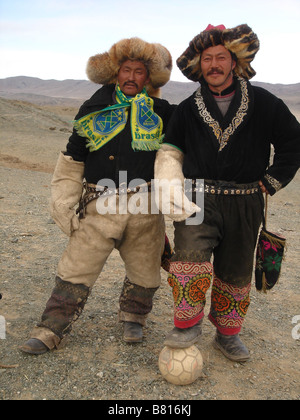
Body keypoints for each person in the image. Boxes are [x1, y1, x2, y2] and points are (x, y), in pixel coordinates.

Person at [20, 37, 175, 355]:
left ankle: (134, 317)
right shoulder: (93, 108)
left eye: (139, 71)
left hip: (145, 206)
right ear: (115, 74)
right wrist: (64, 199)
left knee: (145, 268)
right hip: (98, 202)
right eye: (126, 70)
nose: (132, 77)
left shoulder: (162, 113)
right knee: (77, 265)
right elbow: (74, 155)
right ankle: (51, 328)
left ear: (148, 78)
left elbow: (173, 157)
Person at [155, 24, 300, 362]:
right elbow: (170, 149)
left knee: (234, 270)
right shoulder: (188, 107)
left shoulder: (264, 102)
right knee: (188, 259)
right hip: (197, 199)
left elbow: (294, 143)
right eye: (208, 59)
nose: (214, 64)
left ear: (234, 62)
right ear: (199, 65)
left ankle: (227, 333)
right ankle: (186, 324)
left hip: (246, 200)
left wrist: (272, 179)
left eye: (222, 57)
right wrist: (170, 185)